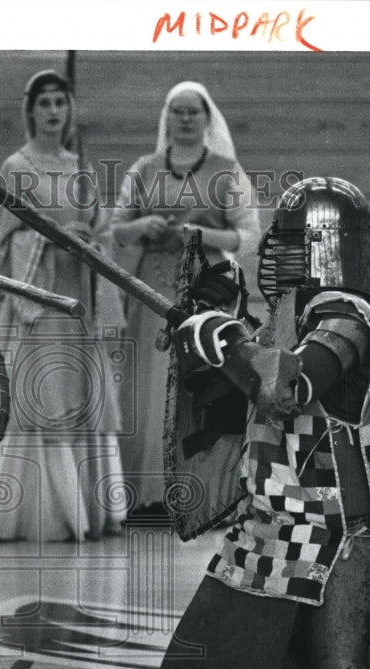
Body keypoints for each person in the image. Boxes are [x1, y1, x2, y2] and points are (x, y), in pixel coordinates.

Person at [160, 177, 370, 669]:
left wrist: (224, 339)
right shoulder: (285, 319)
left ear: (325, 246)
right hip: (274, 523)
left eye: (292, 241)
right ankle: (306, 642)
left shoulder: (350, 319)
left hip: (337, 530)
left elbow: (285, 389)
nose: (276, 253)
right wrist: (202, 340)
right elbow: (224, 403)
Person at [0, 70, 125, 542]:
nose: (54, 111)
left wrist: (91, 241)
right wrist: (52, 241)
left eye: (61, 102)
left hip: (80, 303)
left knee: (82, 399)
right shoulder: (16, 167)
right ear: (30, 110)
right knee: (44, 399)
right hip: (39, 304)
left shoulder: (81, 167)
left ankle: (91, 512)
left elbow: (102, 231)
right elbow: (0, 240)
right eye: (45, 102)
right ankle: (44, 515)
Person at [105, 81, 261, 519]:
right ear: (166, 117)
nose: (187, 118)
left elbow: (249, 235)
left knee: (199, 393)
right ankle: (145, 496)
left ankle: (199, 495)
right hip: (150, 293)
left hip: (205, 297)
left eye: (195, 111)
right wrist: (143, 227)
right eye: (179, 110)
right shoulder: (144, 169)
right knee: (147, 391)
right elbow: (115, 227)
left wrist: (200, 234)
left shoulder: (228, 170)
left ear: (208, 118)